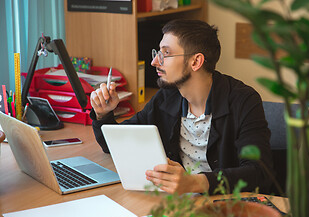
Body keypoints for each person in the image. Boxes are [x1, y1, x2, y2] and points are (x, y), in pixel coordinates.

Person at [90, 19, 273, 195]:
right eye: (157, 53)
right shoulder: (166, 98)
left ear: (195, 62)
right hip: (181, 203)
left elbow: (258, 173)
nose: (155, 62)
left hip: (227, 205)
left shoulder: (243, 100)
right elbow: (115, 146)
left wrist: (194, 182)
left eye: (166, 53)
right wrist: (103, 114)